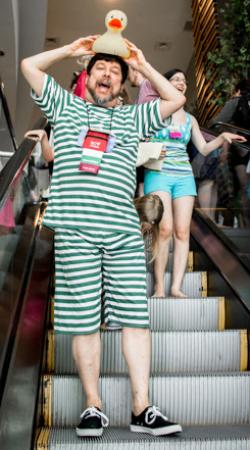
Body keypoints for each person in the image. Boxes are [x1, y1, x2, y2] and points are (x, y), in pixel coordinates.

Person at [21, 36, 185, 437]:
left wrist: (143, 65)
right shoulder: (67, 107)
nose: (107, 74)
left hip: (124, 233)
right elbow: (28, 66)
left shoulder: (135, 117)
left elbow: (175, 102)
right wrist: (68, 50)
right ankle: (93, 406)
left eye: (115, 70)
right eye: (100, 68)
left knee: (135, 319)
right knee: (83, 321)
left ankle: (142, 407)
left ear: (123, 81)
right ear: (88, 76)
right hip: (75, 231)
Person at [141, 68, 246, 298]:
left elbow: (204, 148)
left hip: (183, 177)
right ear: (164, 86)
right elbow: (138, 137)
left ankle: (176, 287)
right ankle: (159, 287)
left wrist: (222, 137)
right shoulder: (155, 112)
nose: (180, 83)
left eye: (183, 80)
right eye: (175, 79)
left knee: (182, 230)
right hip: (158, 173)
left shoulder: (190, 119)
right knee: (165, 228)